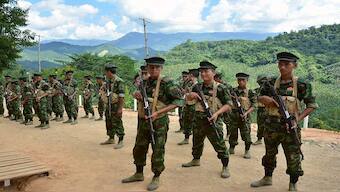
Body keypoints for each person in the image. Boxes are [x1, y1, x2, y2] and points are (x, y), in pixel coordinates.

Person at [250, 52, 318, 191]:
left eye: (286, 64)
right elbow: (258, 97)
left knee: (293, 157)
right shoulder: (270, 82)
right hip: (271, 126)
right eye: (280, 64)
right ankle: (267, 178)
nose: (282, 67)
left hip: (290, 128)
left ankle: (293, 183)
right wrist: (265, 100)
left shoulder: (302, 84)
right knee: (269, 154)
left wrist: (297, 120)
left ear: (294, 65)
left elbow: (311, 105)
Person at [122, 57, 183, 191]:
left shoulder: (168, 83)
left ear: (161, 68)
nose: (153, 70)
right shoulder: (144, 82)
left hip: (159, 121)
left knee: (158, 149)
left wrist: (158, 112)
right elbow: (138, 95)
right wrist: (136, 95)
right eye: (151, 67)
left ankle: (156, 175)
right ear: (147, 68)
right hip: (143, 120)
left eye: (156, 67)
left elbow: (178, 102)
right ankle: (139, 173)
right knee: (139, 147)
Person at [182, 61, 232, 179]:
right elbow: (189, 98)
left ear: (213, 73)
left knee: (219, 144)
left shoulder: (221, 88)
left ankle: (225, 166)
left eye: (206, 71)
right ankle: (196, 159)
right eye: (201, 72)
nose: (203, 74)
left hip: (213, 120)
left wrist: (217, 114)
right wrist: (191, 95)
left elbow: (229, 105)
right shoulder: (197, 86)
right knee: (197, 141)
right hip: (198, 120)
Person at [228, 73, 256, 159]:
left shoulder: (250, 92)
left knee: (246, 134)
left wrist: (246, 113)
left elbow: (254, 105)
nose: (241, 82)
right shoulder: (233, 91)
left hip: (245, 116)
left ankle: (247, 150)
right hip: (234, 115)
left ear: (247, 81)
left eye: (243, 80)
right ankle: (232, 147)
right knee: (233, 133)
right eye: (239, 80)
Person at [99, 64, 125, 149]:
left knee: (117, 121)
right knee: (108, 120)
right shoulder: (108, 81)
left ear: (109, 72)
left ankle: (120, 140)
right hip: (109, 105)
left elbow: (121, 96)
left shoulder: (119, 81)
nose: (105, 74)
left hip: (116, 105)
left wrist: (120, 109)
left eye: (106, 72)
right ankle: (111, 138)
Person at [178, 68, 199, 145]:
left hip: (194, 106)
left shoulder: (198, 86)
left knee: (194, 123)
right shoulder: (189, 84)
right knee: (186, 121)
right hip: (188, 105)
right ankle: (186, 138)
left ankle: (195, 140)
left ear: (191, 75)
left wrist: (188, 94)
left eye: (189, 74)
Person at [214, 72, 233, 141]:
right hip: (218, 106)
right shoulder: (215, 85)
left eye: (215, 78)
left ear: (218, 78)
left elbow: (232, 97)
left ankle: (228, 134)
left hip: (226, 106)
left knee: (227, 121)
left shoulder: (227, 86)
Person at [253, 75, 268, 145]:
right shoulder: (257, 90)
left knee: (269, 125)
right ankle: (259, 139)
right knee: (260, 125)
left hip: (267, 109)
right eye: (260, 82)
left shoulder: (269, 90)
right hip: (260, 109)